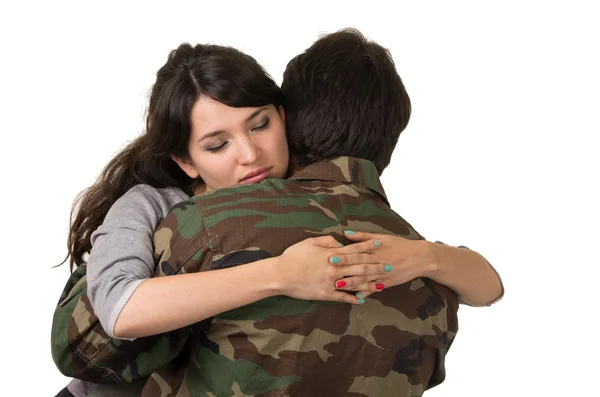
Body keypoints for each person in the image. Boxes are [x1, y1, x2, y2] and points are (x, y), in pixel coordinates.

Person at [52, 31, 502, 397]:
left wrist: (426, 257)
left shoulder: (303, 207)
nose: (250, 155)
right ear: (186, 161)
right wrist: (282, 274)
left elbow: (489, 286)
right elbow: (117, 313)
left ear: (285, 118)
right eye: (217, 144)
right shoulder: (155, 207)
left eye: (260, 124)